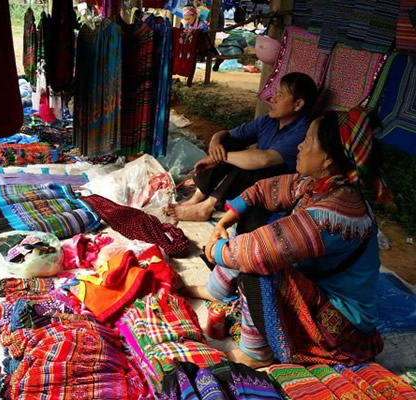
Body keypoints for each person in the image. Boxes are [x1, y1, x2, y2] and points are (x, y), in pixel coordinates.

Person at [182, 106, 392, 368]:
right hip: (319, 291)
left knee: (257, 261)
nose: (301, 146)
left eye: (309, 140)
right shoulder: (321, 185)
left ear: (328, 159)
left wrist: (214, 249)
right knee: (253, 222)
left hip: (342, 328)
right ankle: (215, 291)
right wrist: (224, 221)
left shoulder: (332, 213)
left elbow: (255, 252)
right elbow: (263, 190)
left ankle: (255, 352)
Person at [166, 72, 318, 223]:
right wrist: (215, 142)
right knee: (226, 144)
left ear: (298, 104)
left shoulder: (303, 131)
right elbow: (227, 135)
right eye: (275, 93)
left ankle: (206, 207)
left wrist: (219, 157)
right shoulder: (268, 121)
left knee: (250, 161)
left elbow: (264, 160)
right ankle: (196, 199)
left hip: (275, 188)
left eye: (280, 95)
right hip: (252, 180)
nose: (272, 99)